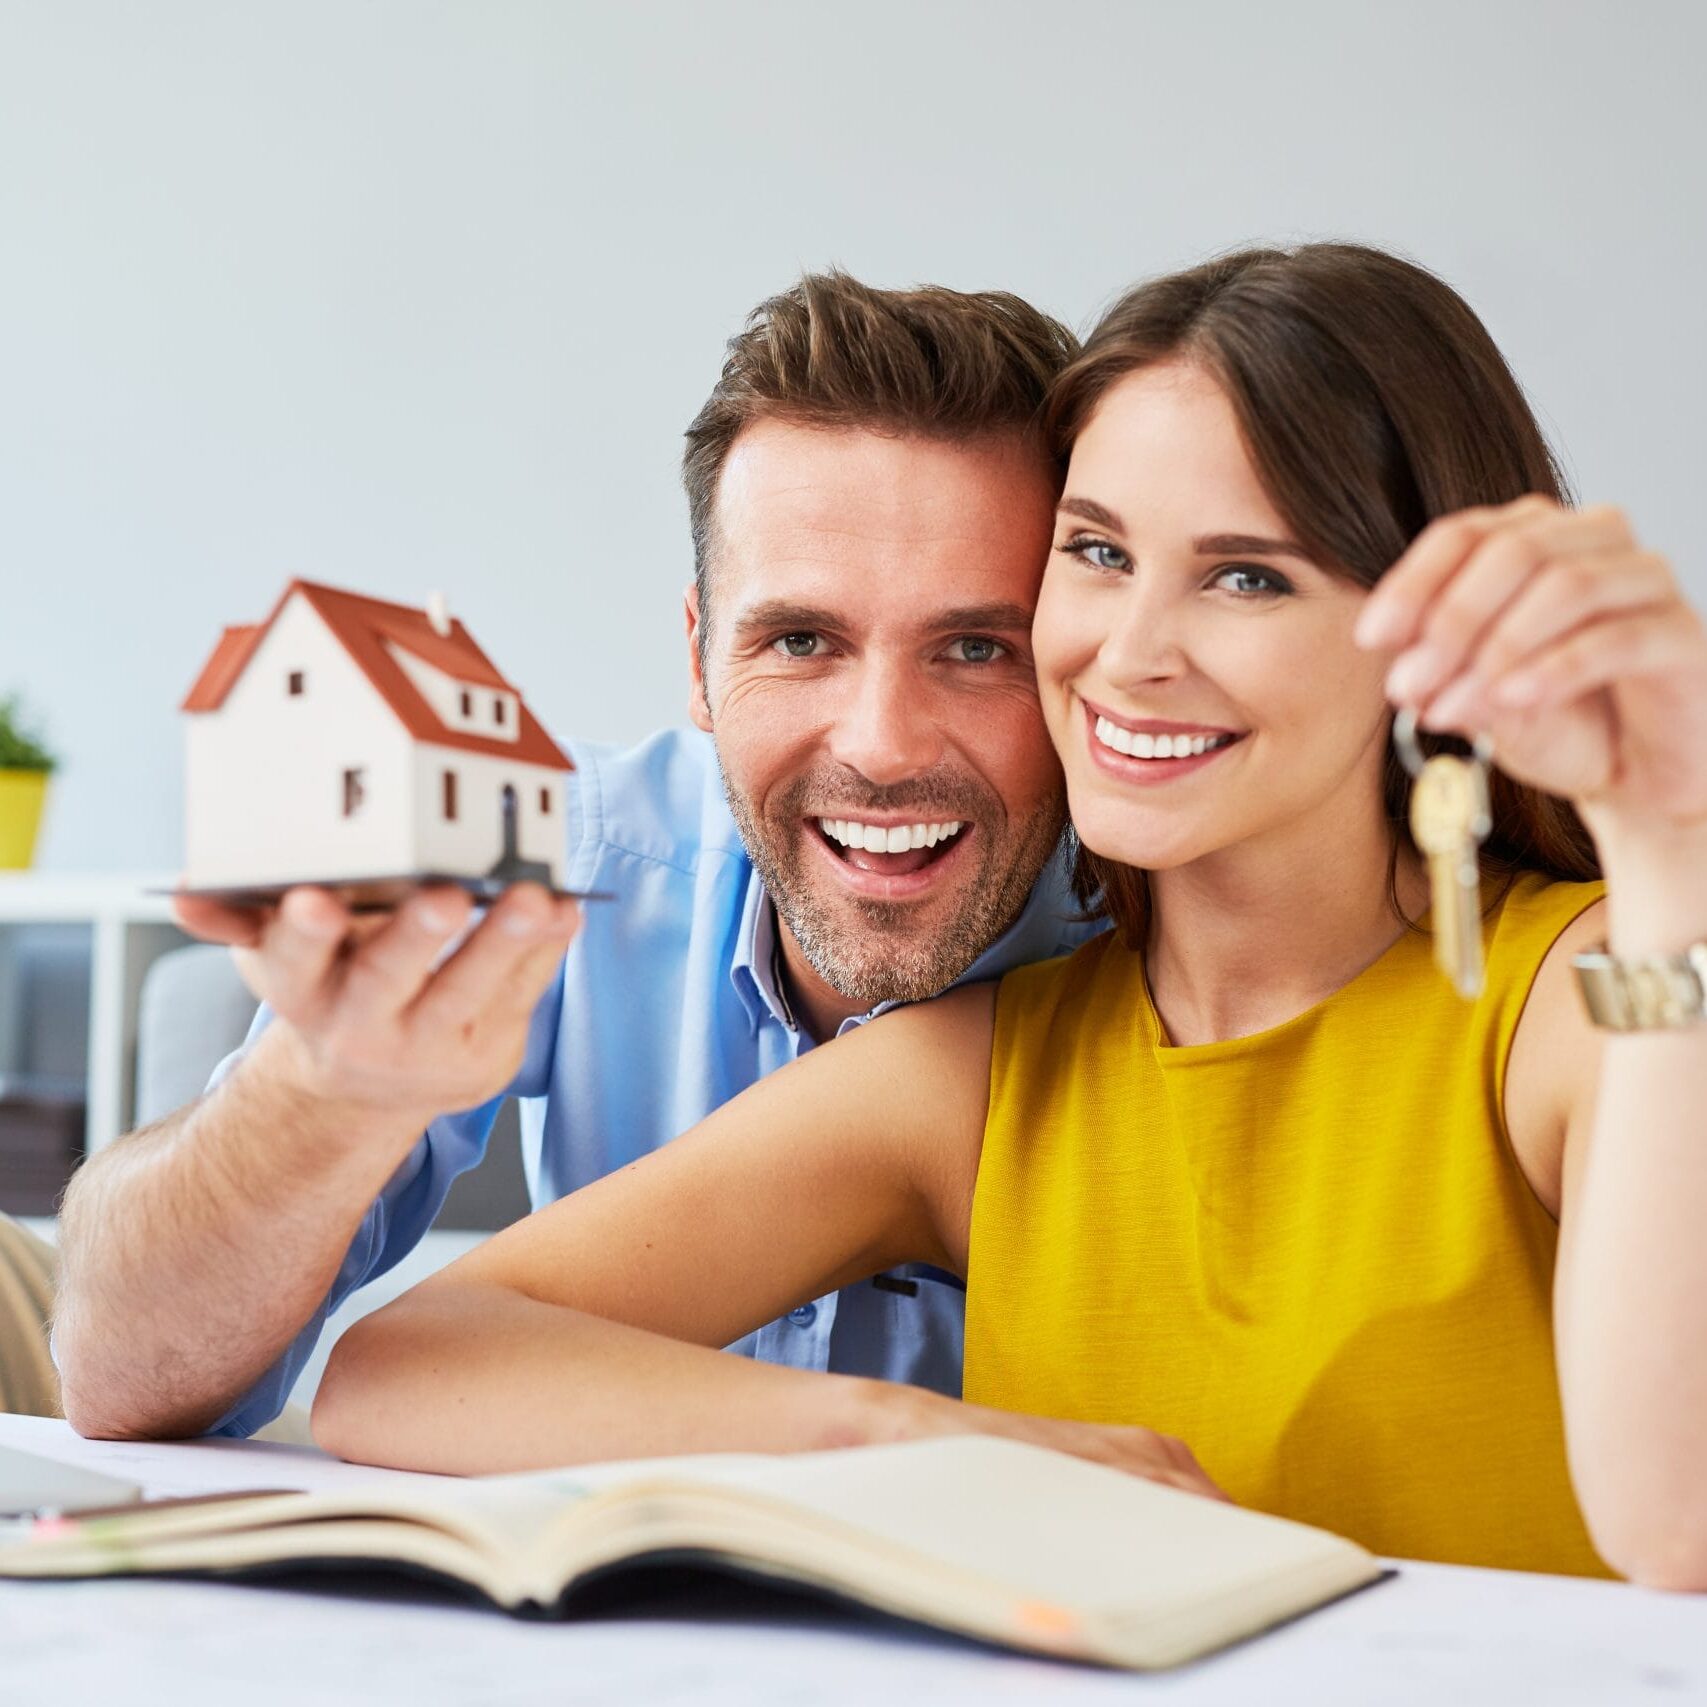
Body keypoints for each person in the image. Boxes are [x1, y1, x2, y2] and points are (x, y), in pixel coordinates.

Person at [312, 242, 1707, 1591]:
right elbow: (408, 1365)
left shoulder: (1591, 990)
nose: (1128, 652)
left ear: (1428, 630)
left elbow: (1679, 1526)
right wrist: (900, 1437)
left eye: (1246, 575)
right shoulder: (974, 1075)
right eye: (1096, 551)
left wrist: (1670, 838)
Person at [54, 274, 1096, 1441]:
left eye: (976, 648)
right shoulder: (559, 853)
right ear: (699, 660)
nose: (882, 746)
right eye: (801, 640)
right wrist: (318, 1091)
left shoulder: (1166, 945)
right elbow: (118, 1380)